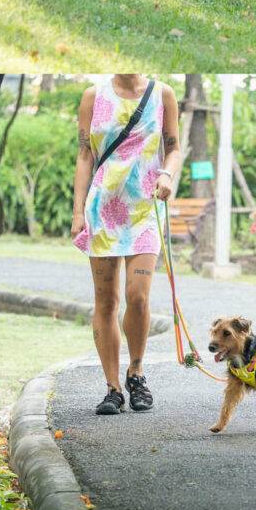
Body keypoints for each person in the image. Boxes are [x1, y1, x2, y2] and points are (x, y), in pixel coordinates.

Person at [71, 74, 181, 414]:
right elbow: (85, 154)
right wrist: (78, 212)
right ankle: (113, 388)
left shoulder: (163, 94)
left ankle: (136, 371)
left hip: (144, 211)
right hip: (102, 210)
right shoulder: (93, 96)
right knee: (106, 301)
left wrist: (167, 174)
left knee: (138, 295)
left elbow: (174, 148)